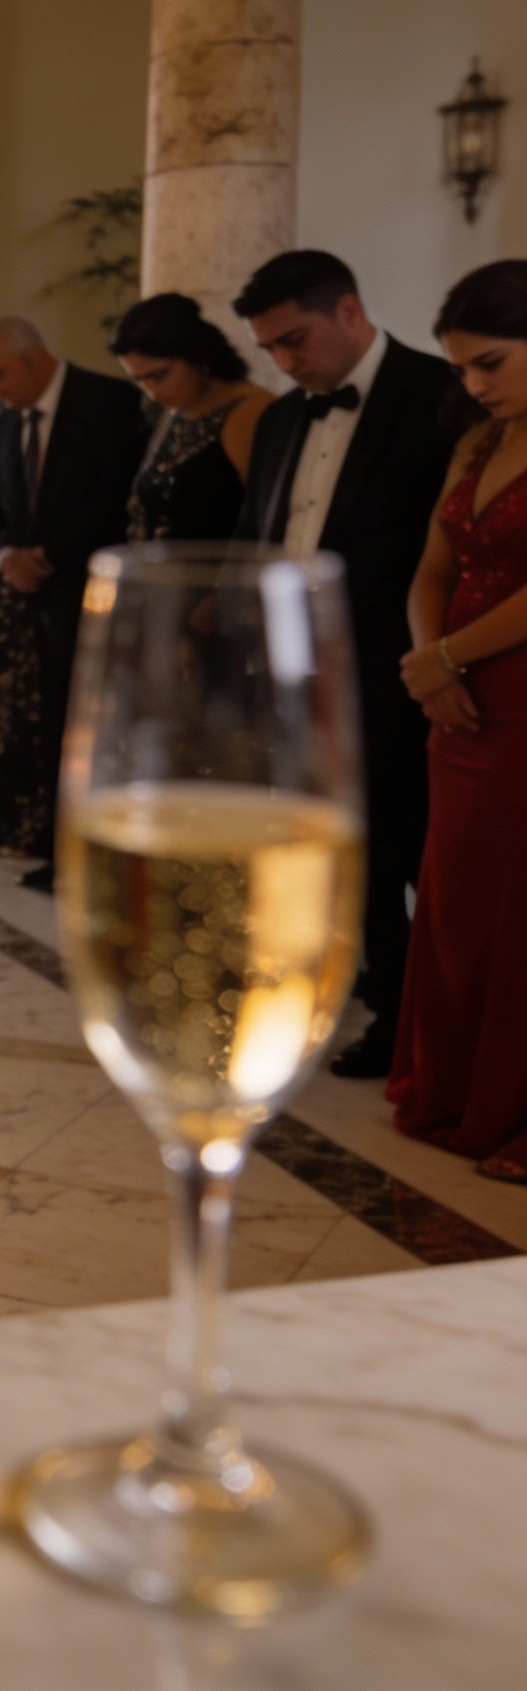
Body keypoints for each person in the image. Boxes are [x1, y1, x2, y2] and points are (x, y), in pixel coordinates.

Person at [235, 250, 466, 1078]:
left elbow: (455, 551)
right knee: (323, 849)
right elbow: (259, 537)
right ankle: (340, 988)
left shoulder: (443, 397)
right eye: (269, 348)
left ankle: (406, 1018)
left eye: (294, 340)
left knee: (400, 849)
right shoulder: (279, 419)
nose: (284, 362)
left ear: (348, 311)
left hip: (394, 668)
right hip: (287, 678)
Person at [391, 260, 527, 1182]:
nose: (474, 385)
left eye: (491, 363)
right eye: (461, 369)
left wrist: (446, 657)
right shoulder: (479, 442)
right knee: (458, 896)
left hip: (517, 695)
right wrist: (428, 660)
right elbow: (433, 566)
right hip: (458, 697)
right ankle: (452, 1087)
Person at [0, 317, 146, 889]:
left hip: (89, 590)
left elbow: (117, 496)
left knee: (83, 722)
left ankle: (81, 850)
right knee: (37, 720)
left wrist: (46, 555)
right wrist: (4, 555)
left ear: (35, 359)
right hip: (24, 598)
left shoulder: (110, 401)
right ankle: (44, 837)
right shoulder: (3, 424)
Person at [109, 293, 271, 542]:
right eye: (139, 381)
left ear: (198, 357)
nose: (152, 393)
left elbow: (264, 523)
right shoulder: (174, 410)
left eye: (158, 376)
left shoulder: (252, 411)